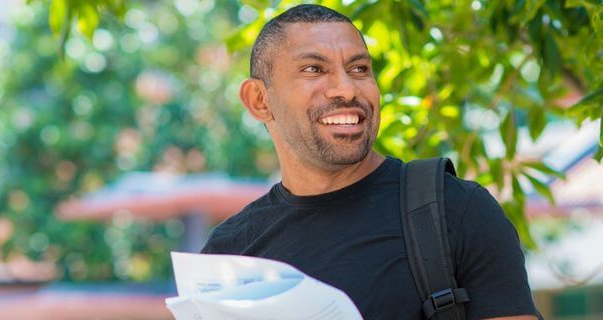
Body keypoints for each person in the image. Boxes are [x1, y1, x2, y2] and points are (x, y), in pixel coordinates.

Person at [201, 4, 540, 320]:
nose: (346, 89)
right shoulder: (228, 256)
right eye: (314, 69)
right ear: (259, 100)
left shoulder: (457, 211)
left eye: (359, 69)